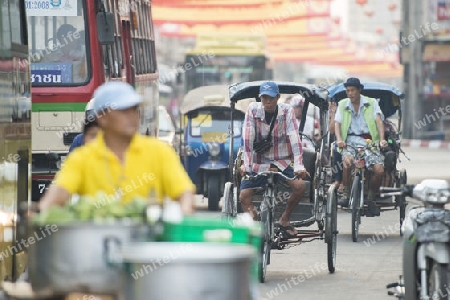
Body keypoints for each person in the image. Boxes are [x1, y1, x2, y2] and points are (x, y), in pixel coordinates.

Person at [39, 81, 195, 214]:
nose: (132, 117)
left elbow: (184, 192)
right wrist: (41, 214)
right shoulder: (82, 158)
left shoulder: (159, 152)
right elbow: (57, 195)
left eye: (134, 110)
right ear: (102, 118)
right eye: (123, 111)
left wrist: (182, 215)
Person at [239, 81, 310, 238]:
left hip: (281, 161)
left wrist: (299, 165)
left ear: (278, 97)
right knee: (244, 195)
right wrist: (247, 164)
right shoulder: (252, 109)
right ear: (260, 98)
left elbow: (294, 137)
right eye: (264, 98)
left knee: (300, 187)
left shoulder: (287, 111)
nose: (268, 102)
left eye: (271, 98)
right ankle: (255, 225)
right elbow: (247, 138)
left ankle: (285, 218)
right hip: (258, 161)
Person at [334, 77, 388, 216]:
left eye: (352, 90)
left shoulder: (371, 102)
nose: (350, 93)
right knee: (347, 163)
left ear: (359, 90)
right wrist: (339, 139)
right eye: (347, 91)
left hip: (369, 142)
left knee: (379, 170)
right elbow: (337, 124)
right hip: (350, 141)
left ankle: (371, 199)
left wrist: (382, 140)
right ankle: (346, 194)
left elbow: (378, 121)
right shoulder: (342, 104)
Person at [328, 99, 343, 192]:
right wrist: (334, 113)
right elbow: (332, 131)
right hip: (342, 141)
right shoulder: (341, 112)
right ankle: (338, 180)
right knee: (337, 150)